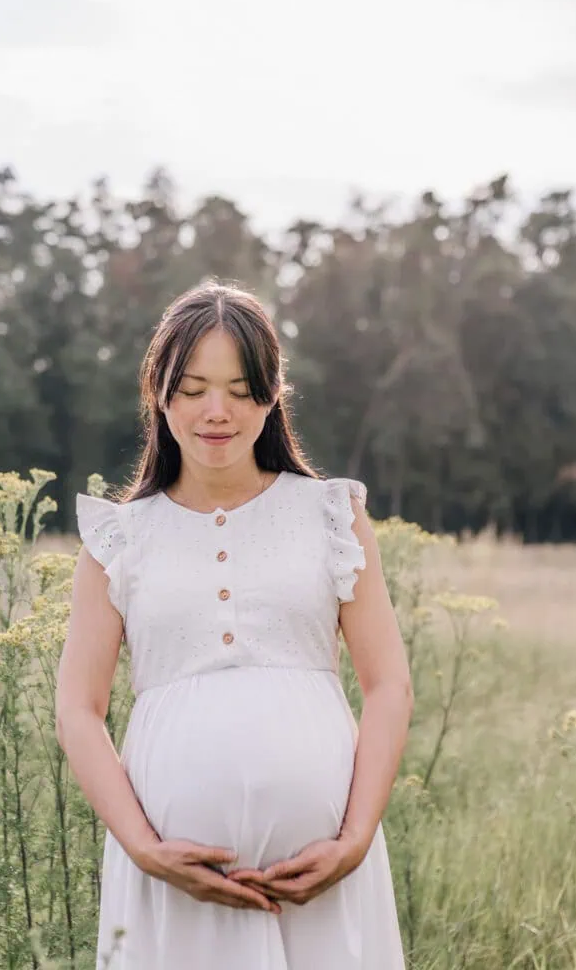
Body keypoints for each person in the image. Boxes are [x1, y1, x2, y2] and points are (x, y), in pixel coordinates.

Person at [55, 278, 413, 969]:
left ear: (273, 391)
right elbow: (78, 709)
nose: (216, 411)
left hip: (325, 879)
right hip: (171, 887)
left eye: (239, 388)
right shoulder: (119, 537)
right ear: (158, 392)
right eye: (192, 389)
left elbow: (389, 684)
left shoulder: (331, 515)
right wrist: (144, 849)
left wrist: (355, 839)